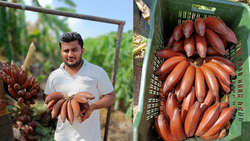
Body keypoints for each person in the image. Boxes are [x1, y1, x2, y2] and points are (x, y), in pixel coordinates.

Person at [44, 31, 116, 141]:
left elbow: (111, 96)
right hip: (62, 137)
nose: (70, 54)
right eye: (66, 51)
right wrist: (54, 105)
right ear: (61, 53)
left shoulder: (97, 72)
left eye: (74, 50)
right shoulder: (54, 76)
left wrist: (92, 107)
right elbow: (47, 96)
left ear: (82, 51)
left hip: (90, 137)